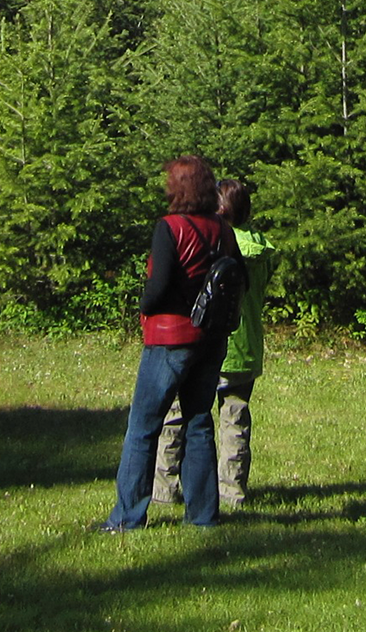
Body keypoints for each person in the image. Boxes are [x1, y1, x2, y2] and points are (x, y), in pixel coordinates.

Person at [102, 156, 240, 532]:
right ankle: (203, 516)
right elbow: (236, 278)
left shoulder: (169, 227)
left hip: (170, 338)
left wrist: (143, 305)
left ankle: (127, 516)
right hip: (210, 339)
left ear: (176, 189)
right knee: (199, 422)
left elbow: (159, 286)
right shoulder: (224, 231)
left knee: (144, 425)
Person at [152, 178, 276, 512]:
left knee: (178, 415)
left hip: (208, 344)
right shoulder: (263, 250)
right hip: (245, 348)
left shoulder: (214, 242)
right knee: (235, 421)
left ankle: (165, 485)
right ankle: (231, 491)